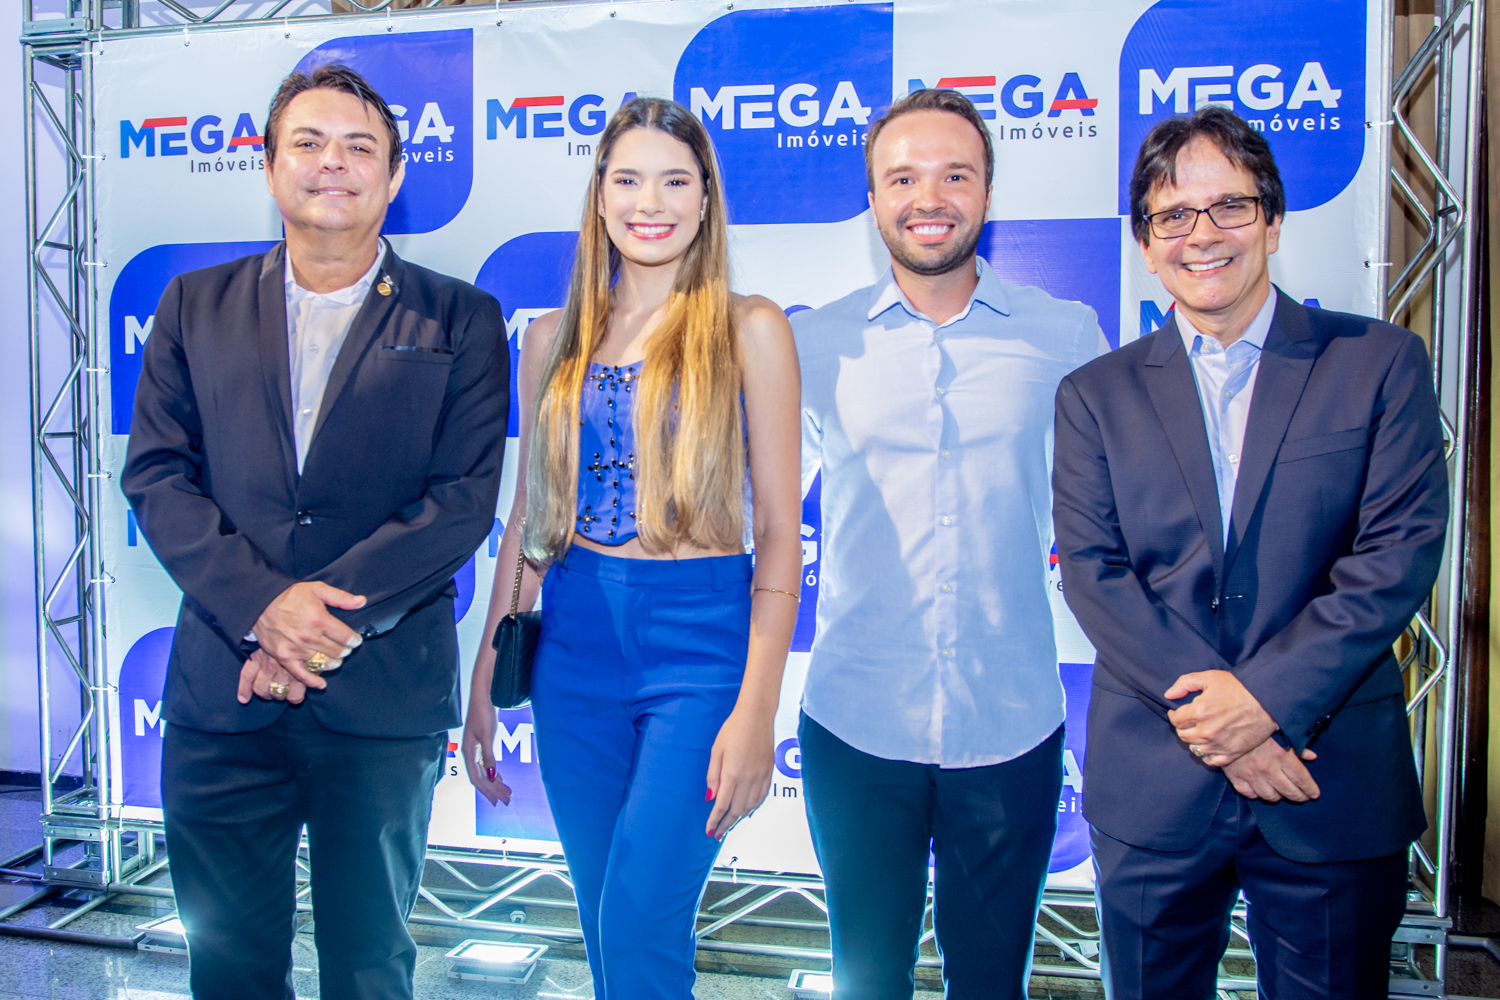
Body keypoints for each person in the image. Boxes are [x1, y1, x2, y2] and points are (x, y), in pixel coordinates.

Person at [122, 64, 508, 1000]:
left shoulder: (461, 316)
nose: (332, 162)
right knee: (229, 966)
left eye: (359, 146)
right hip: (223, 694)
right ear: (269, 167)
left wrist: (314, 626)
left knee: (369, 967)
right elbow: (159, 475)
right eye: (308, 142)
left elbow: (460, 501)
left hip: (381, 700)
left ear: (395, 174)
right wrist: (264, 609)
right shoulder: (192, 304)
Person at [1052, 105, 1447, 1000]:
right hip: (1156, 784)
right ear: (1145, 245)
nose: (1202, 234)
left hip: (1328, 780)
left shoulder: (1378, 362)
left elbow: (1396, 555)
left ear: (1272, 221)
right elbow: (1095, 574)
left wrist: (1265, 704)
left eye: (1229, 206)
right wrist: (1227, 728)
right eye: (1172, 216)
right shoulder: (1095, 395)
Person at [461, 97, 801, 999]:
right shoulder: (550, 338)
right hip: (572, 650)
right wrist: (485, 678)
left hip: (700, 652)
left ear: (705, 198)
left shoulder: (752, 328)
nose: (651, 202)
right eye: (628, 180)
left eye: (675, 180)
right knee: (604, 919)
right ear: (600, 196)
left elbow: (779, 534)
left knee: (642, 920)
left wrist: (759, 709)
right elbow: (529, 522)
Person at [791, 88, 1109, 1000]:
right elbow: (752, 518)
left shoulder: (1066, 336)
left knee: (991, 984)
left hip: (1010, 724)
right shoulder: (812, 342)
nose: (928, 197)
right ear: (873, 200)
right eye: (903, 178)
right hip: (855, 722)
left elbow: (1115, 518)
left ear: (988, 193)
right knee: (865, 981)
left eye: (955, 175)